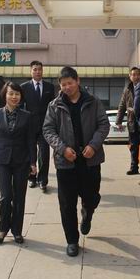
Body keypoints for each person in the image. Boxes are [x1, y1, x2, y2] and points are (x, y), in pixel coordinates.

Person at [42, 66, 110, 257]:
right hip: (66, 163)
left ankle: (87, 213)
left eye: (70, 83)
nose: (67, 87)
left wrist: (93, 146)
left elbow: (103, 124)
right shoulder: (54, 105)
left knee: (92, 196)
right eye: (63, 84)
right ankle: (72, 240)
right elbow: (48, 130)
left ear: (78, 81)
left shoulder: (93, 102)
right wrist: (62, 149)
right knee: (67, 204)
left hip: (90, 160)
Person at [0, 82, 37, 244]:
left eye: (17, 94)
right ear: (5, 95)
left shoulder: (27, 116)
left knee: (19, 197)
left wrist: (33, 162)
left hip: (22, 161)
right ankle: (3, 228)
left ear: (21, 96)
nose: (14, 97)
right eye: (11, 93)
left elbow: (31, 141)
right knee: (6, 197)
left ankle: (17, 231)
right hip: (2, 161)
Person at [20, 60, 56, 192]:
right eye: (35, 69)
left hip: (45, 127)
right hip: (29, 126)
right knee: (30, 153)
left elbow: (53, 107)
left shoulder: (49, 87)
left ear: (42, 71)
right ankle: (31, 178)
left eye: (39, 69)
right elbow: (20, 107)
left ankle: (43, 180)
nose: (37, 72)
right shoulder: (24, 87)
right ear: (31, 71)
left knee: (44, 154)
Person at [115, 67, 140, 175]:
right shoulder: (127, 89)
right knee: (133, 146)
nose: (136, 77)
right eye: (133, 74)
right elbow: (122, 105)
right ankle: (134, 167)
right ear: (130, 76)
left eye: (138, 74)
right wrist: (118, 121)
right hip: (132, 121)